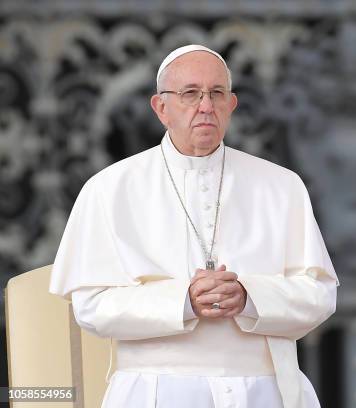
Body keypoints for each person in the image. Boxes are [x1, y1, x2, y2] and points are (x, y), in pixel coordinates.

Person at [49, 44, 339, 408]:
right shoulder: (109, 189)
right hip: (154, 392)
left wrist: (249, 297)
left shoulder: (281, 185)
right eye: (190, 94)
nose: (206, 106)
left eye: (217, 94)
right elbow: (90, 306)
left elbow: (320, 295)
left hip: (264, 392)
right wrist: (183, 301)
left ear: (232, 105)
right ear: (161, 108)